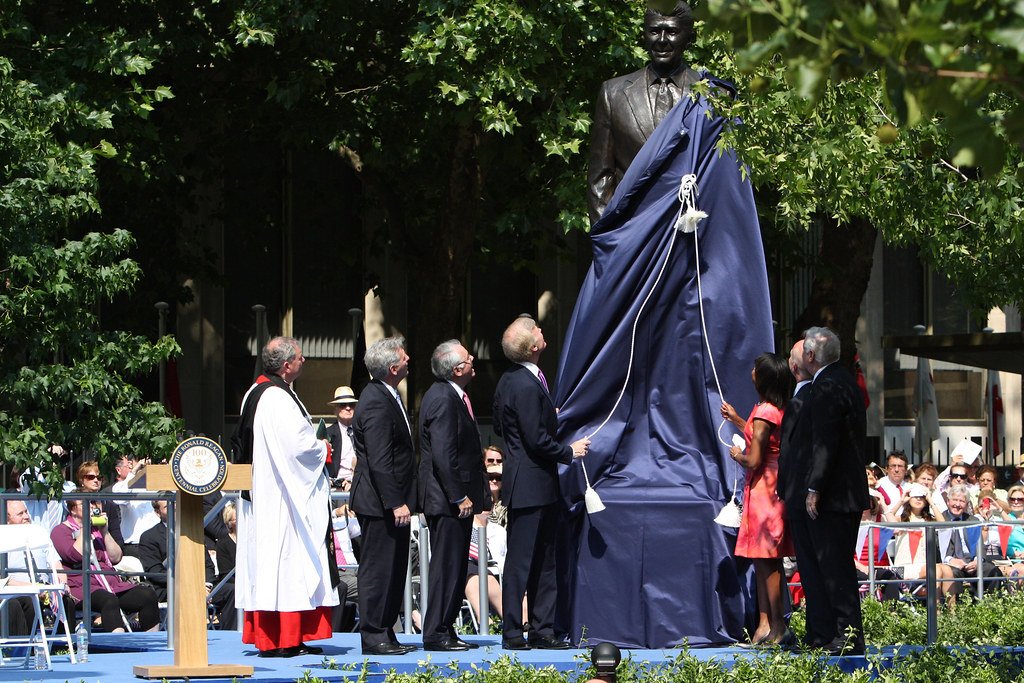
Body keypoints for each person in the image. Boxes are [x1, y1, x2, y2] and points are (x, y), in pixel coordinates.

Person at [235, 336, 339, 658]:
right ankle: (285, 639)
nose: (304, 360)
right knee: (289, 568)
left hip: (265, 496)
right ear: (286, 365)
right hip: (282, 499)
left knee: (273, 569)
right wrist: (323, 447)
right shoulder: (277, 399)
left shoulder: (255, 393)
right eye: (300, 357)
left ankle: (280, 638)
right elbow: (299, 449)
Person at [492, 316, 589, 650]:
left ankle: (542, 630)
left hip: (537, 484)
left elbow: (513, 427)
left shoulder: (514, 380)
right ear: (532, 346)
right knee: (522, 562)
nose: (542, 331)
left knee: (545, 562)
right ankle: (513, 632)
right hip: (530, 485)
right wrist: (568, 451)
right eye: (537, 330)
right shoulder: (523, 383)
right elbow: (535, 439)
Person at [782, 327, 868, 656]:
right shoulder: (840, 380)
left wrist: (814, 486)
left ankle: (847, 636)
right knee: (826, 566)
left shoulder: (828, 386)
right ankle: (828, 633)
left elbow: (825, 444)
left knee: (835, 568)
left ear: (810, 356)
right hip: (840, 494)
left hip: (834, 496)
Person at [587, 1, 700, 225]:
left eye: (672, 31)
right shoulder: (614, 93)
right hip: (632, 230)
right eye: (655, 31)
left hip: (691, 234)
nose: (662, 40)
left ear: (690, 37)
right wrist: (608, 238)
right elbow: (600, 177)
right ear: (644, 35)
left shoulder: (713, 95)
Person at [417, 340, 490, 651]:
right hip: (446, 501)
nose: (474, 359)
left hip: (452, 499)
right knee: (446, 566)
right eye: (467, 357)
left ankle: (444, 628)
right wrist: (459, 496)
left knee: (456, 566)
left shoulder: (453, 395)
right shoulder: (444, 398)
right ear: (458, 369)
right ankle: (435, 632)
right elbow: (444, 454)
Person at [721, 352, 795, 647]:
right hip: (768, 487)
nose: (752, 372)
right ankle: (768, 625)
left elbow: (753, 459)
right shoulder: (773, 408)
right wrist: (739, 419)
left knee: (768, 562)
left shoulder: (765, 411)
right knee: (765, 563)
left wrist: (737, 455)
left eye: (755, 369)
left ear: (763, 378)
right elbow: (761, 436)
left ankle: (778, 626)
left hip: (766, 490)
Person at [350, 337, 418, 656]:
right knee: (378, 569)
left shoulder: (387, 394)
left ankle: (385, 629)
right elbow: (379, 458)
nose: (408, 360)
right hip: (380, 503)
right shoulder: (376, 398)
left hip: (390, 501)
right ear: (393, 367)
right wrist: (395, 501)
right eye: (404, 357)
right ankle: (374, 633)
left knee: (394, 569)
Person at [51, 496, 160, 632]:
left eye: (94, 503)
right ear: (72, 510)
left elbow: (116, 558)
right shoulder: (60, 531)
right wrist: (84, 527)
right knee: (109, 600)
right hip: (82, 586)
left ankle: (149, 644)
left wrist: (105, 531)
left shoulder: (97, 531)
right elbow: (75, 556)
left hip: (110, 584)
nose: (92, 507)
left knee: (147, 595)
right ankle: (118, 646)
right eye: (86, 504)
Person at [3, 500, 77, 635]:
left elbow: (56, 564)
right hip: (16, 591)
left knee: (66, 600)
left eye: (26, 512)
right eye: (20, 514)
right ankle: (26, 650)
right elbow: (3, 579)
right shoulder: (3, 539)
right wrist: (32, 587)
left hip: (44, 588)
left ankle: (63, 647)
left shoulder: (39, 533)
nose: (26, 516)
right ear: (7, 520)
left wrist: (63, 584)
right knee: (28, 601)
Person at [465, 464, 509, 624]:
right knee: (474, 576)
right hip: (468, 572)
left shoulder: (498, 530)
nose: (485, 505)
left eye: (488, 501)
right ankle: (485, 621)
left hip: (494, 573)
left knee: (487, 577)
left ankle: (516, 623)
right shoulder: (465, 527)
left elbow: (502, 559)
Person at [325, 385, 359, 489]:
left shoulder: (364, 432)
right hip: (336, 488)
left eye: (351, 405)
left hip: (360, 485)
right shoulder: (328, 434)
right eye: (343, 405)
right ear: (335, 409)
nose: (348, 408)